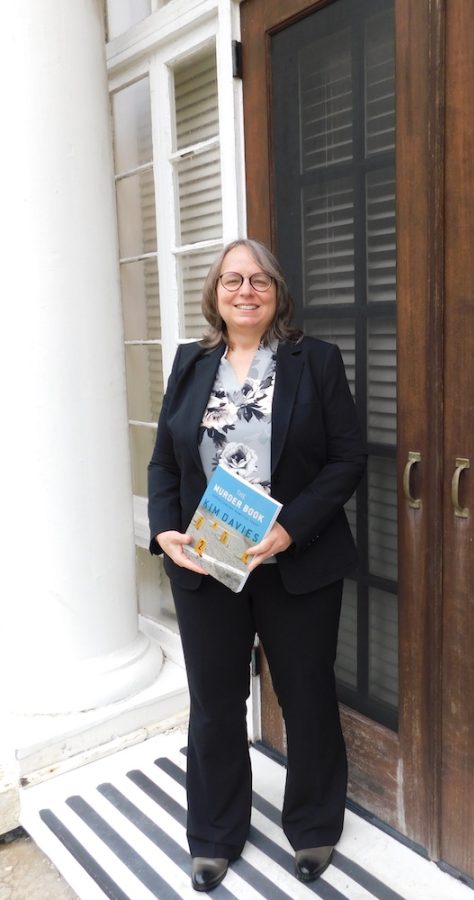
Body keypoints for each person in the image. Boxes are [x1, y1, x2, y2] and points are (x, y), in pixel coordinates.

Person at [147, 238, 366, 893]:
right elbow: (164, 460)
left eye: (259, 281)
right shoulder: (191, 363)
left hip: (294, 561)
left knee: (305, 695)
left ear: (277, 293)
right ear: (215, 293)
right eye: (232, 280)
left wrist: (289, 528)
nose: (246, 291)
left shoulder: (314, 361)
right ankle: (213, 836)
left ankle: (314, 825)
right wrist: (164, 530)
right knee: (214, 705)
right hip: (207, 562)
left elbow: (346, 459)